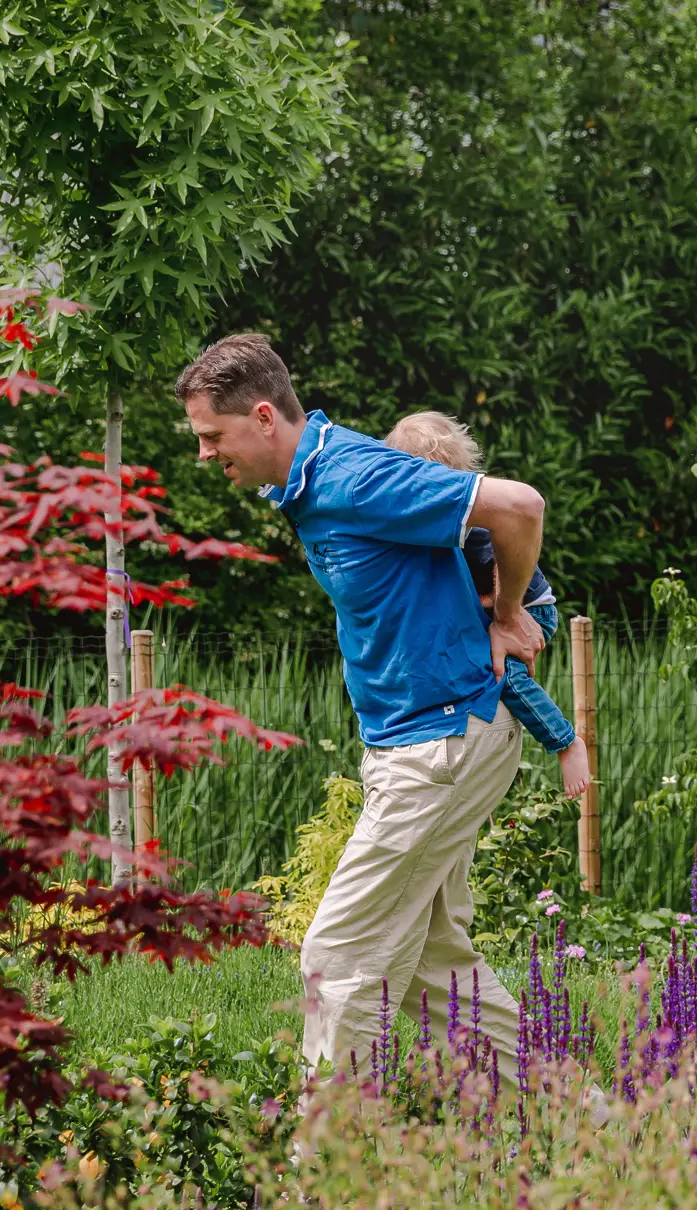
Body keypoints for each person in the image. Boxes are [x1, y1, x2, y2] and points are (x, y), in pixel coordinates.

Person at [175, 334, 544, 1079]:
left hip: (440, 744)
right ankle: (581, 1127)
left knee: (337, 956)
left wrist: (506, 613)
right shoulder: (315, 483)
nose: (205, 455)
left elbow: (518, 505)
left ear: (264, 416)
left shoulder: (350, 476)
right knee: (436, 970)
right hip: (414, 745)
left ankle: (326, 1180)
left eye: (213, 436)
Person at [384, 411, 590, 799]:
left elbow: (507, 569)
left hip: (530, 609)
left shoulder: (471, 527)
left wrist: (499, 616)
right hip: (495, 606)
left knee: (503, 675)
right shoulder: (434, 525)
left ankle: (565, 743)